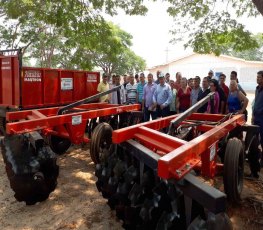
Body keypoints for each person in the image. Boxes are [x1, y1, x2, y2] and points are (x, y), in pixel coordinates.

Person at [252, 71, 263, 167]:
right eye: (257, 77)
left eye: (259, 77)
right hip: (256, 117)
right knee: (255, 139)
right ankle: (255, 158)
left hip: (262, 118)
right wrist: (253, 115)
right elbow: (255, 103)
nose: (257, 78)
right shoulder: (257, 89)